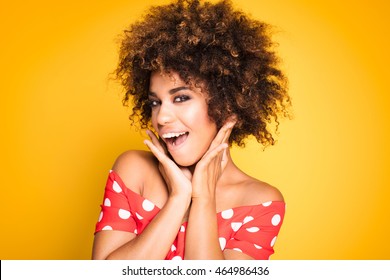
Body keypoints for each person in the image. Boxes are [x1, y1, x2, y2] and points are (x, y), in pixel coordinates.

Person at [92, 0, 291, 260]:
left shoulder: (260, 202)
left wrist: (203, 200)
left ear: (226, 104)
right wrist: (178, 198)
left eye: (181, 98)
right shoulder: (134, 169)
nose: (161, 117)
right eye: (155, 102)